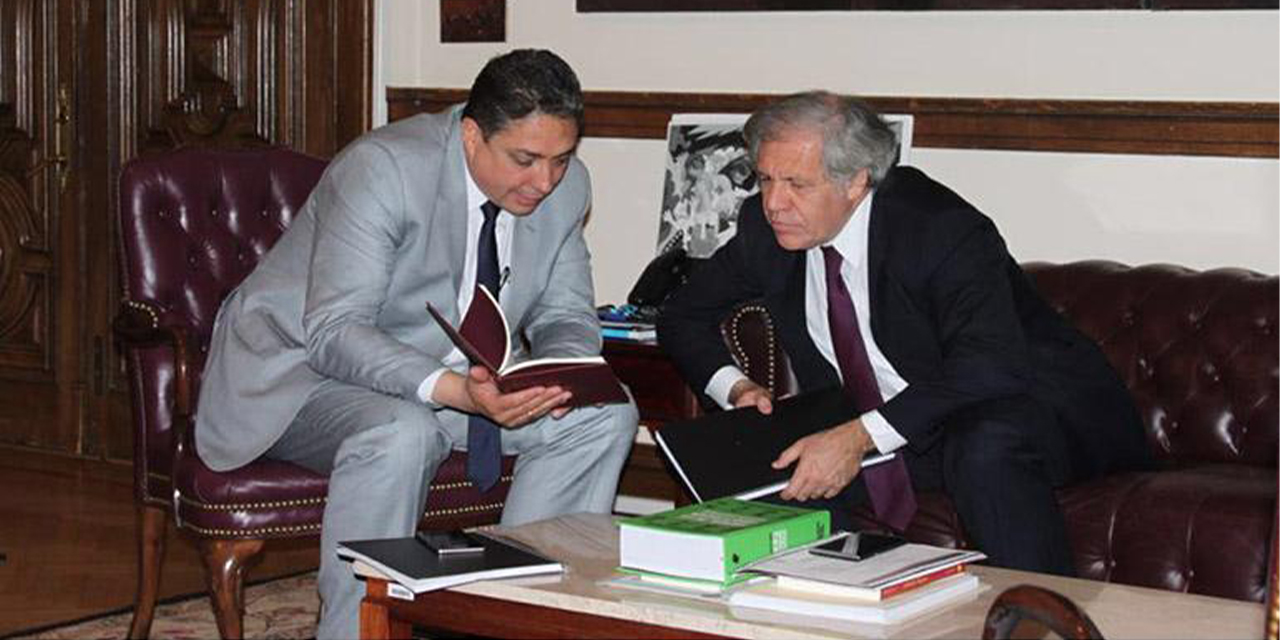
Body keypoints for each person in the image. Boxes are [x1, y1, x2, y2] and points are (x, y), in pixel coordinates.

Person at [195, 49, 638, 639]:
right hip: (302, 374)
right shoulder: (384, 168)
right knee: (401, 430)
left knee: (603, 416)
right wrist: (458, 391)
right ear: (472, 135)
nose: (545, 181)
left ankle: (512, 616)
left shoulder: (563, 188)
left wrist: (555, 377)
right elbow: (335, 332)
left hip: (453, 383)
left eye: (560, 159)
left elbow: (565, 312)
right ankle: (358, 630)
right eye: (525, 159)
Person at [656, 91, 1150, 576]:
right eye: (765, 180)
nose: (774, 203)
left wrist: (858, 437)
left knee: (982, 445)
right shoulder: (765, 232)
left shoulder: (939, 229)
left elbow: (986, 367)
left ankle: (1041, 621)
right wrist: (737, 389)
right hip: (910, 423)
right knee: (779, 456)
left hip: (1036, 408)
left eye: (796, 184)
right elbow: (681, 315)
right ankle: (837, 606)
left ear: (856, 183)